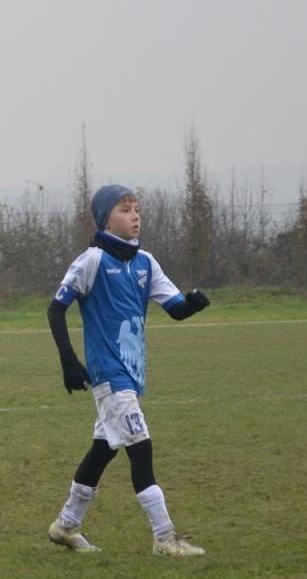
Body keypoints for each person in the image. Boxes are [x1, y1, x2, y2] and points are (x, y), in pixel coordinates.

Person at [45, 184, 210, 557]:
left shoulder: (145, 262)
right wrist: (69, 361)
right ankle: (165, 538)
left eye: (136, 208)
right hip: (109, 376)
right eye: (124, 209)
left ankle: (66, 525)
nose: (134, 215)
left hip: (132, 376)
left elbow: (175, 307)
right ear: (105, 218)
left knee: (103, 451)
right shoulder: (91, 261)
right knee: (141, 449)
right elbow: (55, 309)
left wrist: (194, 304)